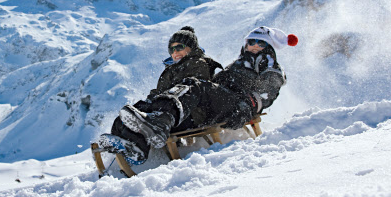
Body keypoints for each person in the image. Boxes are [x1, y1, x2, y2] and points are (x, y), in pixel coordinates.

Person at [102, 26, 297, 165]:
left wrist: (247, 108)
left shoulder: (272, 70)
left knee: (192, 85)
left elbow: (267, 94)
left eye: (260, 43)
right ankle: (132, 145)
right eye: (251, 42)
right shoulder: (237, 65)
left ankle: (160, 124)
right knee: (144, 105)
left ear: (269, 47)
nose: (254, 46)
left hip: (236, 106)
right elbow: (218, 84)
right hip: (221, 102)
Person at [99, 26, 222, 163]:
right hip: (169, 111)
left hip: (188, 114)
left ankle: (140, 143)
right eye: (172, 49)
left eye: (179, 47)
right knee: (135, 110)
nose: (175, 52)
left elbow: (189, 91)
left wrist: (161, 101)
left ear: (191, 47)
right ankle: (124, 141)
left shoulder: (198, 63)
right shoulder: (171, 69)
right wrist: (149, 103)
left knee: (155, 109)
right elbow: (161, 92)